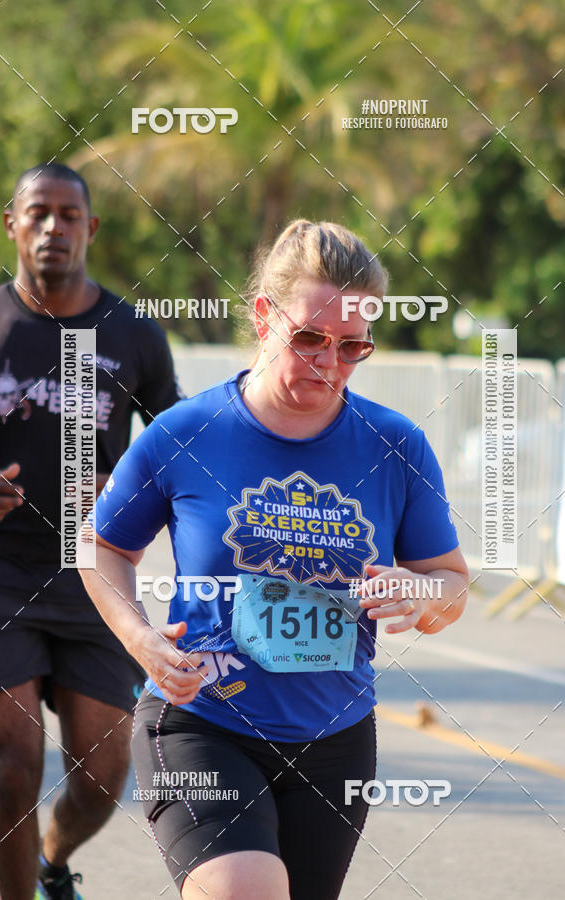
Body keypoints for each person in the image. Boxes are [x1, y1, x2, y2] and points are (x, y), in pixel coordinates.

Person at [81, 219, 469, 900]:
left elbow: (451, 583)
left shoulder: (395, 444)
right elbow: (100, 545)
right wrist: (139, 639)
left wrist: (424, 594)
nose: (329, 363)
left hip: (336, 739)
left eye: (353, 347)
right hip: (202, 721)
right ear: (265, 317)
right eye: (310, 338)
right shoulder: (187, 432)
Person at [0, 162, 183, 900]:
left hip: (95, 576)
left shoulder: (132, 333)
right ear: (12, 223)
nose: (53, 228)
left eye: (69, 215)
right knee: (8, 760)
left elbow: (179, 444)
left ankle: (51, 860)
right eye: (37, 213)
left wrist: (129, 485)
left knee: (102, 776)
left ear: (90, 228)